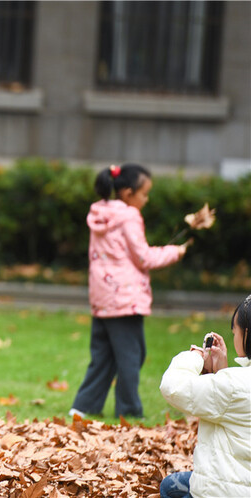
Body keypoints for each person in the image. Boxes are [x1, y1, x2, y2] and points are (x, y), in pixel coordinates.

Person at [69, 163, 189, 419]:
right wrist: (174, 252)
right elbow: (143, 258)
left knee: (103, 355)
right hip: (125, 299)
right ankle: (129, 410)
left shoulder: (100, 213)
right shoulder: (129, 216)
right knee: (131, 357)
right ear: (127, 192)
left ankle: (84, 406)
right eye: (144, 194)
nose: (145, 200)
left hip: (102, 296)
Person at [158, 295, 251, 498]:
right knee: (169, 486)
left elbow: (174, 388)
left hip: (228, 491)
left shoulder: (233, 385)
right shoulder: (236, 383)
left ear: (246, 334)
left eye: (234, 331)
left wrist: (194, 357)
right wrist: (221, 373)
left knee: (174, 491)